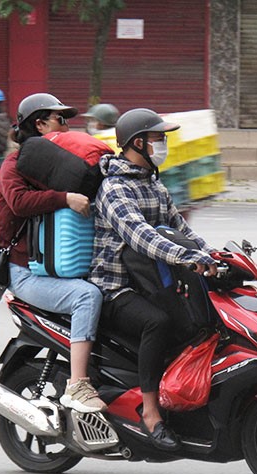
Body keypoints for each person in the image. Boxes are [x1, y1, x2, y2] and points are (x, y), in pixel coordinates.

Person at [89, 108, 218, 451]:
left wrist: (214, 255)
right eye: (158, 138)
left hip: (152, 281)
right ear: (138, 143)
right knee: (158, 323)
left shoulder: (152, 182)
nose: (163, 144)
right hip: (116, 288)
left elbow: (181, 228)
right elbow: (140, 236)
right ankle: (150, 413)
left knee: (200, 321)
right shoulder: (114, 189)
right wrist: (188, 257)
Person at [0, 92, 106, 412]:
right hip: (26, 272)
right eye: (60, 119)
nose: (66, 125)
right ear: (40, 124)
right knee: (87, 297)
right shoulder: (15, 163)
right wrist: (65, 198)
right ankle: (77, 385)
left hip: (60, 265)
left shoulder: (61, 165)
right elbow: (18, 202)